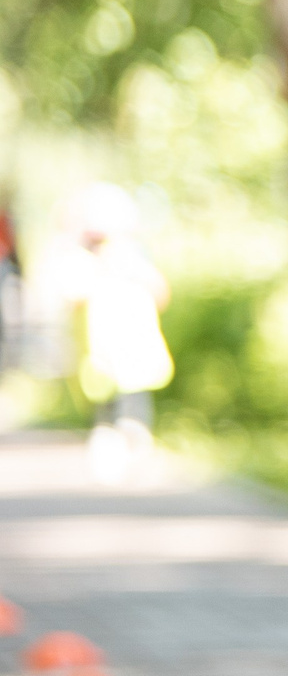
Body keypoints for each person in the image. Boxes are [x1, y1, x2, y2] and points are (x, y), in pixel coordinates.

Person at [59, 183, 173, 484]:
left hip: (135, 353)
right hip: (99, 358)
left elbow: (160, 293)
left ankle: (136, 457)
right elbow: (71, 295)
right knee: (106, 411)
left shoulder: (135, 257)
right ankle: (111, 460)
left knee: (134, 410)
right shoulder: (81, 259)